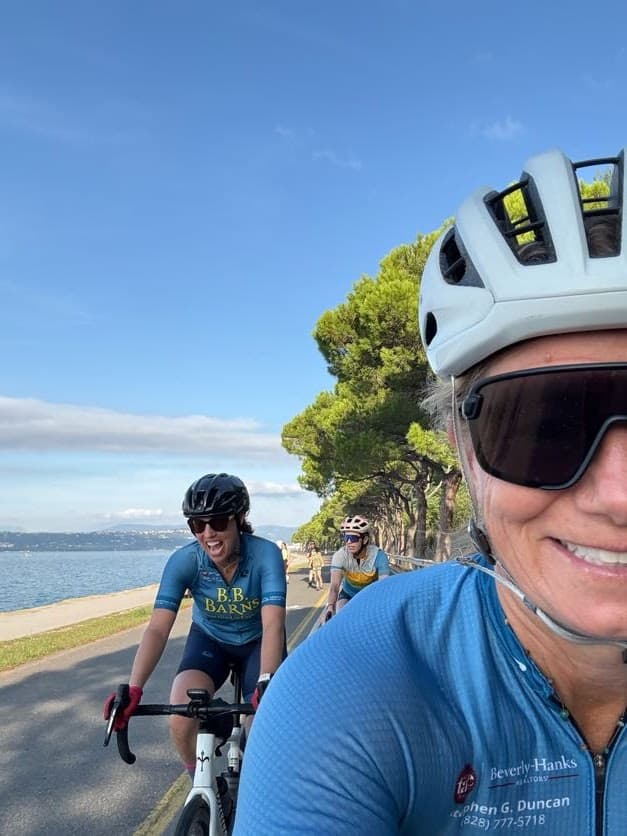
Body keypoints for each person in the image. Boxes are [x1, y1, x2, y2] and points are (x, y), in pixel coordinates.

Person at [233, 148, 627, 833]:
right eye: (545, 428)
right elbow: (332, 596)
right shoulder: (345, 695)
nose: (619, 497)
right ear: (462, 454)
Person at [104, 472, 287, 781]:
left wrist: (265, 682)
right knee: (180, 715)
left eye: (217, 522)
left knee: (260, 725)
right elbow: (158, 629)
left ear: (239, 519)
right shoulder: (184, 561)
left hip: (258, 640)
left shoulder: (265, 555)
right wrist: (134, 688)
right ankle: (201, 787)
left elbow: (273, 625)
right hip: (210, 640)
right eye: (196, 525)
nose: (208, 534)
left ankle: (257, 792)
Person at [324, 515, 390, 620]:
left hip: (370, 594)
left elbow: (383, 587)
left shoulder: (379, 556)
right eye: (346, 538)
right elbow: (335, 586)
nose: (349, 542)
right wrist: (330, 606)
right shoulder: (340, 555)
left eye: (353, 538)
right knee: (341, 616)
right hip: (348, 593)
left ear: (365, 540)